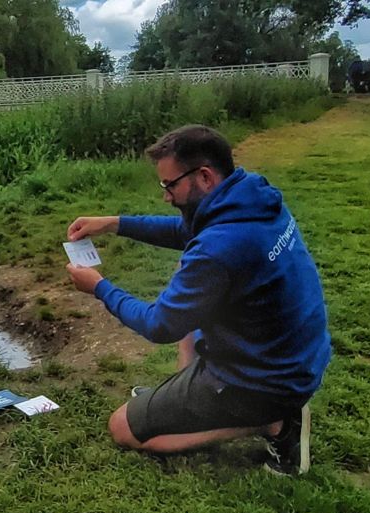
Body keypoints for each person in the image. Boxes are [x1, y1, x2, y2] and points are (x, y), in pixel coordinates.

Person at [65, 125, 331, 476]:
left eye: (170, 185)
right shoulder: (251, 198)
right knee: (191, 273)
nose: (166, 196)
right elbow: (190, 234)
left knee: (123, 429)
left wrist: (99, 286)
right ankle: (189, 397)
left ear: (204, 176)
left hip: (263, 379)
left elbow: (159, 325)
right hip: (295, 355)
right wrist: (114, 224)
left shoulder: (221, 247)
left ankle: (273, 423)